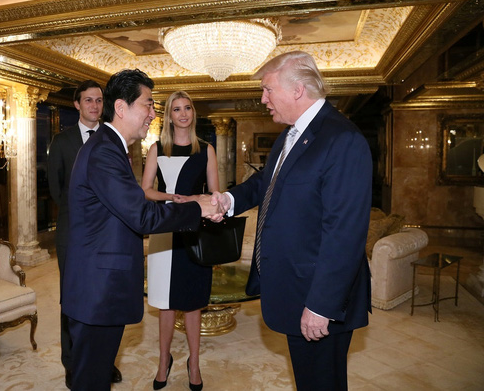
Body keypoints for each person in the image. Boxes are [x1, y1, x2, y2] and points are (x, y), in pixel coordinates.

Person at [212, 51, 372, 391]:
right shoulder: (292, 134)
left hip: (317, 296)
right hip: (294, 287)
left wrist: (321, 306)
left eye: (268, 89)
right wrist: (228, 200)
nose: (263, 99)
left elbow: (344, 233)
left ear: (298, 89)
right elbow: (265, 183)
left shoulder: (342, 139)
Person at [60, 69, 221, 390]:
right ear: (121, 108)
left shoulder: (110, 147)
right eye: (148, 104)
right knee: (90, 381)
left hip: (101, 291)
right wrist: (198, 207)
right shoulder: (105, 151)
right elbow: (142, 216)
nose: (153, 114)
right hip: (96, 294)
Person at [47, 80, 122, 388]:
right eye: (88, 100)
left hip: (107, 234)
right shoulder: (61, 141)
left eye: (99, 100)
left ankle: (103, 361)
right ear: (77, 104)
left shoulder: (113, 139)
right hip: (73, 234)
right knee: (72, 298)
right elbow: (55, 189)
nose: (94, 105)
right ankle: (72, 362)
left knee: (104, 298)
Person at [142, 91, 218, 391]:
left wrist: (198, 198)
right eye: (176, 109)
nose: (183, 113)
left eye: (187, 108)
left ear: (193, 113)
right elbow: (146, 190)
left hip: (195, 231)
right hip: (164, 228)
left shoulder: (206, 150)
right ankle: (164, 361)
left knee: (193, 303)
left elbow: (215, 194)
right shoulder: (157, 148)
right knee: (165, 303)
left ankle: (194, 363)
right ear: (169, 116)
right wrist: (170, 197)